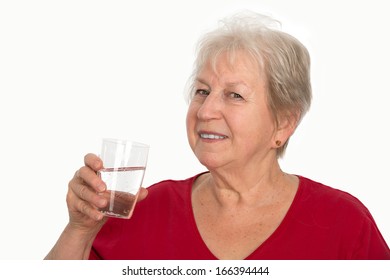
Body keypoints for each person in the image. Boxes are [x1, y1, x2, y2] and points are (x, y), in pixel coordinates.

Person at [45, 12, 390, 260]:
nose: (206, 110)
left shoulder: (343, 224)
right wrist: (80, 229)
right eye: (201, 91)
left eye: (234, 95)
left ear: (283, 124)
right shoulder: (140, 211)